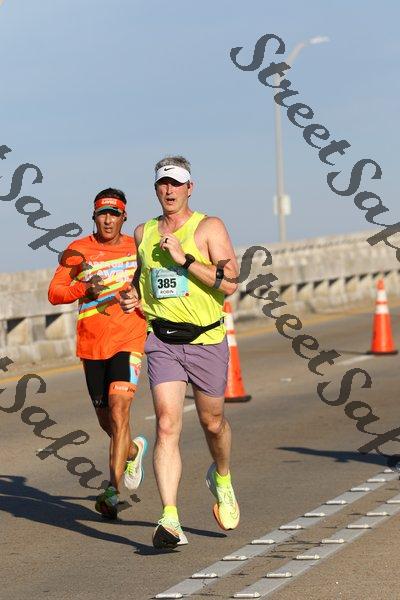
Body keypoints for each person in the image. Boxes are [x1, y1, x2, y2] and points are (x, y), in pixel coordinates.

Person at [120, 156, 240, 548]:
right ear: (156, 189)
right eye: (163, 184)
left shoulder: (209, 227)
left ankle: (222, 477)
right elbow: (142, 278)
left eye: (176, 183)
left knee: (212, 423)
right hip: (162, 341)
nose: (169, 190)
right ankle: (170, 519)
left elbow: (230, 283)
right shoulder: (143, 233)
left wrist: (185, 260)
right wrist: (132, 296)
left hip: (206, 339)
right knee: (167, 424)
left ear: (190, 187)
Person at [48, 188, 148, 519]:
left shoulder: (138, 248)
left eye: (114, 214)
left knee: (119, 412)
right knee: (107, 421)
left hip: (129, 339)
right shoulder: (77, 250)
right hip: (92, 346)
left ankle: (112, 491)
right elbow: (54, 292)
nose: (108, 220)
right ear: (94, 216)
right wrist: (83, 288)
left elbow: (154, 284)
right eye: (102, 214)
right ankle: (131, 451)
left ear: (124, 217)